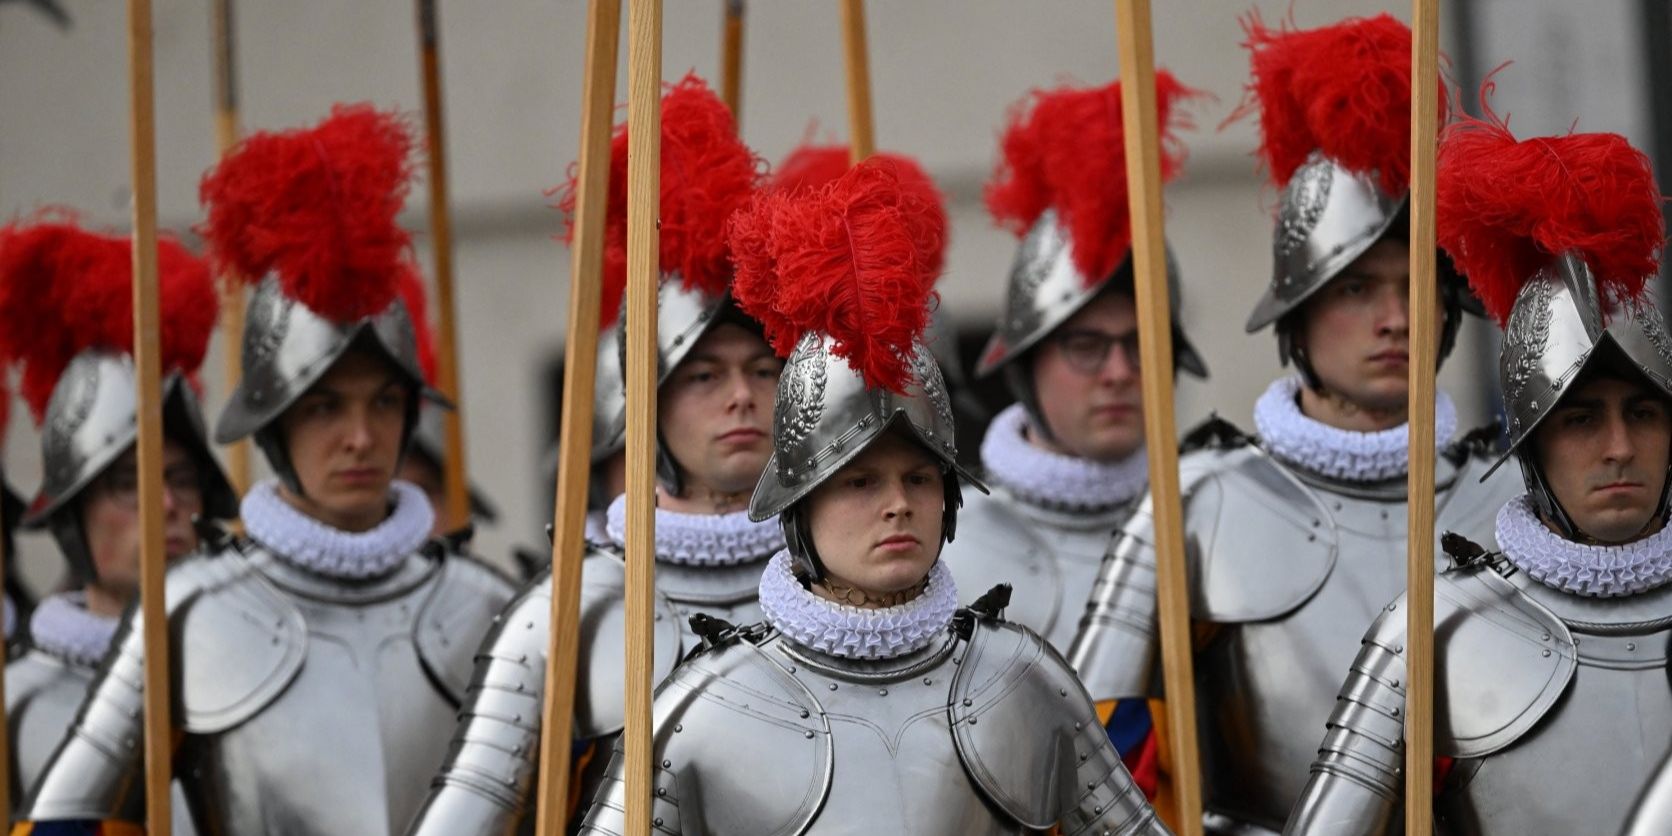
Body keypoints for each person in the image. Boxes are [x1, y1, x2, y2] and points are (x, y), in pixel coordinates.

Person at [577, 148, 1168, 835]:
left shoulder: (1024, 675)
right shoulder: (703, 705)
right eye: (859, 480)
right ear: (802, 506)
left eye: (919, 478)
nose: (898, 503)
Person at [1066, 15, 1520, 832]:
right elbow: (1096, 761)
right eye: (1355, 288)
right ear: (1299, 315)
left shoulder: (1515, 498)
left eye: (1413, 282)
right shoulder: (1199, 503)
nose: (1394, 318)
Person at [19, 105, 515, 834]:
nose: (359, 437)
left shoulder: (491, 606)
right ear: (276, 427)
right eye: (323, 408)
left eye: (383, 403)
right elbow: (65, 821)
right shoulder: (186, 610)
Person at [404, 75, 784, 833]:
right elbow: (464, 818)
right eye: (704, 375)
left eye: (764, 369)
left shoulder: (854, 586)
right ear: (643, 405)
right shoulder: (566, 609)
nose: (741, 396)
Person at [1285, 110, 1672, 836]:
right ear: (1531, 446)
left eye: (1644, 414)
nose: (1619, 446)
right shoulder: (1432, 634)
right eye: (1582, 419)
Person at [948, 72, 1210, 653]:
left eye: (1140, 344)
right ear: (1026, 366)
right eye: (1087, 347)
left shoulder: (1213, 527)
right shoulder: (949, 551)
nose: (1119, 371)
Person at [0, 217, 236, 822]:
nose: (166, 506)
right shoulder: (13, 701)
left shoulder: (251, 669)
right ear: (72, 515)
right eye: (129, 484)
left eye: (181, 478)